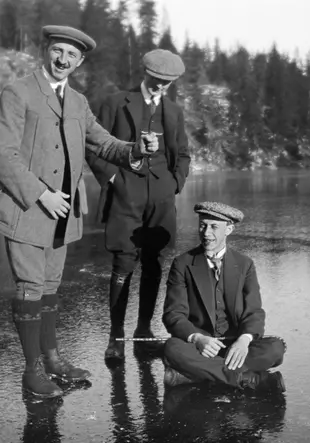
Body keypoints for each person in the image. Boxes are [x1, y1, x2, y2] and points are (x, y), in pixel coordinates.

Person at [0, 25, 158, 398]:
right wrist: (41, 194)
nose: (63, 60)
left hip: (63, 213)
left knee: (49, 287)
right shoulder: (17, 92)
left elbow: (102, 143)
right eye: (58, 51)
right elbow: (2, 155)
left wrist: (136, 150)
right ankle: (32, 372)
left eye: (72, 55)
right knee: (30, 287)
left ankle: (52, 359)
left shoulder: (77, 101)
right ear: (46, 50)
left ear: (79, 62)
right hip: (26, 208)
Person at [85, 49, 191, 360]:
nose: (160, 86)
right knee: (123, 262)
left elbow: (183, 154)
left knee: (154, 262)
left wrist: (174, 184)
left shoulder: (174, 111)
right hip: (125, 194)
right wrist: (113, 179)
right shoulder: (116, 102)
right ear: (145, 73)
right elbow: (93, 148)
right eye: (156, 79)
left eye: (166, 82)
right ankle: (116, 337)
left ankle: (143, 331)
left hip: (161, 197)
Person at [161, 202, 286, 391]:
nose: (206, 233)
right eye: (202, 225)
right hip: (200, 348)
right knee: (173, 348)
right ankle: (248, 379)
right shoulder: (182, 264)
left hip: (235, 345)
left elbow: (254, 311)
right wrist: (197, 338)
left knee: (276, 348)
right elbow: (173, 314)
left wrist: (244, 340)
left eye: (214, 227)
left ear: (229, 229)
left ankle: (192, 375)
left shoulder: (245, 264)